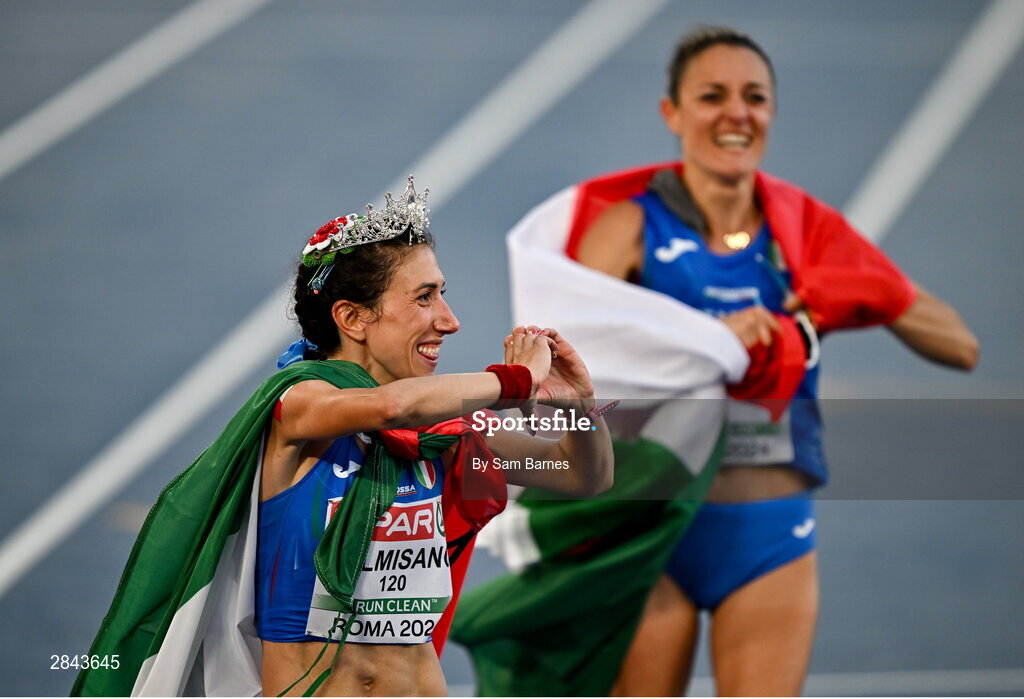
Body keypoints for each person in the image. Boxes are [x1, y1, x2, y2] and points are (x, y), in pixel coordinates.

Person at [72, 177, 613, 698]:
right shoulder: (300, 407)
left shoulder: (441, 430)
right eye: (425, 297)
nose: (450, 321)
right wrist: (515, 380)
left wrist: (579, 409)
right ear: (353, 317)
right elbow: (385, 407)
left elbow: (585, 475)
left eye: (443, 295)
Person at [570, 27, 979, 696]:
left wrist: (878, 293)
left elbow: (961, 345)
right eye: (712, 96)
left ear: (771, 113)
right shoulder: (631, 231)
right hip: (652, 527)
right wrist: (707, 337)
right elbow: (572, 369)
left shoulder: (806, 230)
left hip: (768, 537)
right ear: (672, 114)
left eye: (754, 97)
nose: (737, 113)